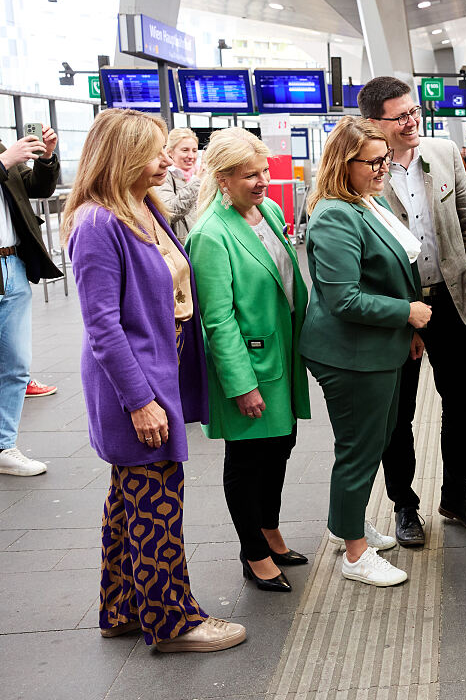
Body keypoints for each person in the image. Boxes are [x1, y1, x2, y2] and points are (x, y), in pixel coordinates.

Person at [63, 108, 245, 652]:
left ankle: (120, 608)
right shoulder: (98, 224)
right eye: (154, 152)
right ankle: (173, 623)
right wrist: (141, 402)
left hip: (158, 371)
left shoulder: (142, 207)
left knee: (130, 501)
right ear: (121, 158)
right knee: (157, 505)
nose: (166, 160)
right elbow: (102, 326)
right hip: (133, 384)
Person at [359, 76, 466, 547]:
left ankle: (458, 494)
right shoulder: (363, 170)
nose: (411, 121)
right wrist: (399, 311)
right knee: (399, 413)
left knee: (461, 402)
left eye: (413, 111)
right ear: (374, 122)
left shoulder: (444, 152)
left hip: (450, 301)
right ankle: (404, 504)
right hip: (398, 309)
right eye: (400, 116)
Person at [300, 116, 431, 587]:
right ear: (343, 163)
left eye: (384, 160)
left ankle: (347, 523)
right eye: (372, 162)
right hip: (351, 354)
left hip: (377, 347)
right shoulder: (335, 214)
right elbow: (344, 298)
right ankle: (355, 555)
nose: (383, 169)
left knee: (371, 442)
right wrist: (407, 313)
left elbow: (391, 270)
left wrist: (407, 330)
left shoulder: (365, 202)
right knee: (358, 450)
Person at [186, 128, 310, 593]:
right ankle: (254, 553)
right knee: (247, 459)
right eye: (250, 175)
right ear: (222, 179)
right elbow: (217, 320)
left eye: (264, 171)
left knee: (280, 447)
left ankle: (270, 531)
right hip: (250, 365)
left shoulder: (270, 211)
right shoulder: (210, 234)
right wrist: (241, 384)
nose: (263, 181)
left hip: (282, 355)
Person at [0, 129, 64, 476]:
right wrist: (4, 162)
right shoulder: (3, 154)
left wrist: (46, 157)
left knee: (15, 365)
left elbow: (38, 188)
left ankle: (4, 446)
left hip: (12, 263)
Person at [155, 127, 204, 240]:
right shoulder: (163, 176)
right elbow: (169, 212)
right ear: (170, 152)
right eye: (185, 150)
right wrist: (197, 182)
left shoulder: (200, 174)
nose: (191, 156)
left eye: (194, 151)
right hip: (182, 244)